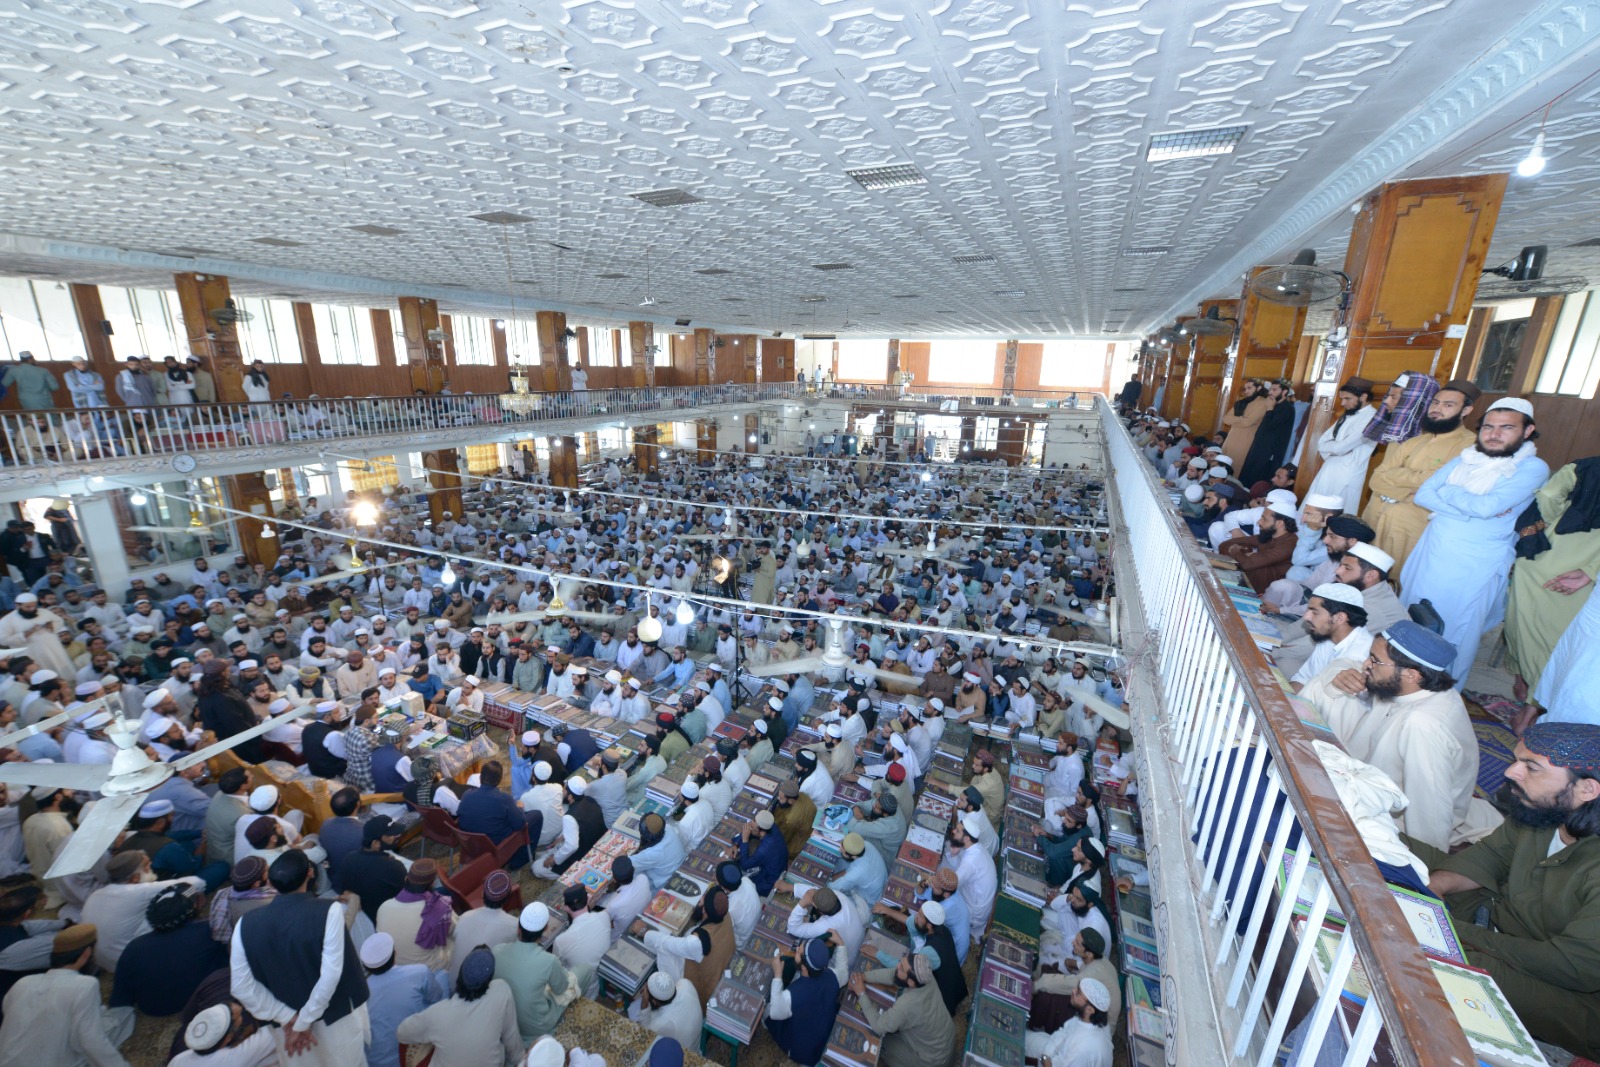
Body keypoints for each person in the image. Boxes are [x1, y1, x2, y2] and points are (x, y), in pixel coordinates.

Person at [1407, 722, 1600, 1058]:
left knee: (1437, 961)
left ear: (1587, 790)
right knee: (1397, 849)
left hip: (1572, 992)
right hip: (1499, 917)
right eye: (1516, 760)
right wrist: (1432, 887)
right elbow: (1491, 854)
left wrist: (1452, 931)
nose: (1512, 772)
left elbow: (1569, 965)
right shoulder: (1544, 807)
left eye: (1531, 767)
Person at [1297, 622, 1496, 852]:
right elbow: (1347, 664)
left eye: (1374, 660)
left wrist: (1424, 859)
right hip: (1369, 761)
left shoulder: (1423, 725)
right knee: (1324, 687)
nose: (1365, 664)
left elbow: (1428, 807)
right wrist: (1339, 674)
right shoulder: (1413, 685)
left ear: (1411, 674)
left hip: (1390, 811)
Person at [1400, 397, 1549, 685]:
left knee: (1455, 632)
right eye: (1488, 427)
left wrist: (1451, 494)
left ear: (1527, 431)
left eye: (1506, 428)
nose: (1494, 434)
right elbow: (1423, 494)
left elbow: (1485, 507)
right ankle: (1402, 682)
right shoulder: (1465, 459)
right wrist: (1472, 506)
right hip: (1433, 552)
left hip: (1475, 564)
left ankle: (1442, 697)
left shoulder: (1532, 468)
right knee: (1415, 618)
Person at [229, 851, 371, 1067]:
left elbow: (241, 987)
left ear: (270, 882)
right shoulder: (329, 910)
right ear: (310, 873)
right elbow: (331, 974)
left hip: (287, 1026)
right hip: (335, 1017)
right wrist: (303, 1021)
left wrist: (287, 1017)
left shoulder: (245, 924)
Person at [1503, 456, 1600, 714]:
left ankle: (1524, 686)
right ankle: (1533, 707)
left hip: (1540, 557)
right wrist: (1591, 571)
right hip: (1578, 573)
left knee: (1522, 624)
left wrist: (1551, 520)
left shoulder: (1583, 467)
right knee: (1554, 641)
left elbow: (1548, 495)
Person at [1362, 379, 1480, 577]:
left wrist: (1396, 479)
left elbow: (1440, 481)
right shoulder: (1415, 441)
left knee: (1396, 582)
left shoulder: (1469, 444)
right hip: (1376, 520)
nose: (1437, 409)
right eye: (1435, 403)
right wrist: (1411, 488)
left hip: (1412, 528)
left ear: (1466, 410)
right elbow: (1376, 478)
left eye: (1448, 405)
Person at [0, 924, 135, 1067]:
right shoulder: (85, 985)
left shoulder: (23, 983)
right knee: (123, 1015)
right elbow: (90, 1041)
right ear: (87, 953)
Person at [110, 883, 226, 1017]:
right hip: (198, 998)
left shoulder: (134, 946)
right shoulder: (208, 931)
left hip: (154, 1009)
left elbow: (120, 997)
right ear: (193, 907)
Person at [394, 947, 524, 1067]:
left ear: (460, 976)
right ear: (488, 981)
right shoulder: (501, 990)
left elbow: (402, 1033)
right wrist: (521, 1061)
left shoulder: (438, 1013)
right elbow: (512, 1039)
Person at [847, 952, 953, 1067]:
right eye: (901, 963)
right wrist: (864, 977)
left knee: (881, 1043)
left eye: (902, 968)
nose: (897, 966)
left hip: (932, 1060)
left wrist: (861, 994)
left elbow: (878, 1026)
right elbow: (894, 974)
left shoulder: (907, 1004)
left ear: (911, 982)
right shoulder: (924, 974)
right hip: (946, 1037)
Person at [360, 932, 445, 1067]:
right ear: (395, 954)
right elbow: (437, 997)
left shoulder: (361, 993)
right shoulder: (419, 972)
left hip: (376, 1062)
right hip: (413, 1056)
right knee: (443, 976)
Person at [491, 903, 572, 1042]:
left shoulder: (496, 950)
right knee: (582, 972)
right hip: (538, 1026)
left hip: (506, 1021)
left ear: (518, 929)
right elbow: (561, 989)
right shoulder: (549, 960)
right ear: (546, 929)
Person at [1304, 377, 1379, 515]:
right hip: (1329, 468)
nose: (1343, 403)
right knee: (1313, 510)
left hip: (1348, 473)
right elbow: (1322, 442)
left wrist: (1336, 449)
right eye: (1342, 398)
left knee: (1336, 515)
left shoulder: (1372, 418)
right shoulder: (1348, 414)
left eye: (1347, 399)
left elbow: (1340, 448)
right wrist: (1336, 450)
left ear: (1363, 396)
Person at [765, 936, 845, 1067]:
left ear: (804, 968)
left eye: (798, 952)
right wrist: (841, 944)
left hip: (801, 1051)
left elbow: (775, 1012)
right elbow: (843, 971)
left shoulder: (793, 994)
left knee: (767, 1010)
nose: (796, 949)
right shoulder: (833, 976)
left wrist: (778, 975)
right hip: (823, 1037)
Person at [1288, 583, 1372, 692]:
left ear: (1339, 618)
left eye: (1315, 612)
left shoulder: (1359, 656)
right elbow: (1302, 679)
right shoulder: (1329, 636)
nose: (1306, 617)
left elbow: (1324, 701)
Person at [376, 858, 455, 972]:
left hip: (396, 967)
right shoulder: (439, 907)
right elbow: (455, 929)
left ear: (406, 879)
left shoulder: (384, 907)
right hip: (428, 969)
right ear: (433, 883)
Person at [1023, 976, 1114, 1067]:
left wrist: (1043, 1059)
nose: (1073, 991)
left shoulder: (1081, 1047)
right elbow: (1064, 1032)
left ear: (1090, 1009)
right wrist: (1046, 1054)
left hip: (1059, 1061)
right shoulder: (1094, 1020)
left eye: (1078, 993)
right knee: (1021, 1036)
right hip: (1056, 1050)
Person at [449, 870, 520, 982]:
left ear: (482, 894)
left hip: (452, 983)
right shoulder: (513, 925)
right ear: (508, 898)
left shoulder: (465, 916)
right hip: (479, 990)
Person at [337, 815, 408, 923]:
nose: (396, 836)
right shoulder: (394, 867)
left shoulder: (348, 858)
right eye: (390, 835)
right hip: (383, 918)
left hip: (359, 913)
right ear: (376, 843)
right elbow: (406, 895)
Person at [552, 883, 609, 999]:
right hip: (602, 973)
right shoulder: (604, 916)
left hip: (583, 987)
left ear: (566, 908)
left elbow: (556, 969)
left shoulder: (561, 941)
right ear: (588, 898)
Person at [630, 970, 702, 1053]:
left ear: (654, 1002)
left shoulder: (664, 1024)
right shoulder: (686, 984)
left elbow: (645, 1032)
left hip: (684, 1056)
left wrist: (644, 1002)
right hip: (695, 1044)